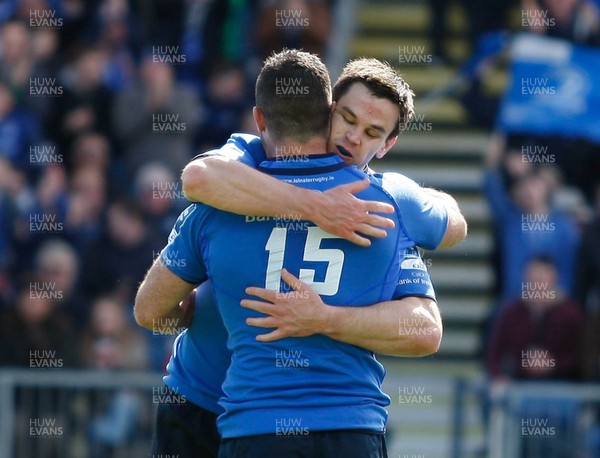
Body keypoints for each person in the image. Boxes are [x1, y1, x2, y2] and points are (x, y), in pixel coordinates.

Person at [143, 56, 466, 457]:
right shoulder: (245, 165)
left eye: (372, 132)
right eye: (347, 119)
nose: (353, 138)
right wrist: (315, 206)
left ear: (388, 145)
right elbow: (198, 178)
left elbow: (430, 314)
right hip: (209, 398)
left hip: (251, 418)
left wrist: (325, 318)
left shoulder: (386, 204)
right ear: (327, 110)